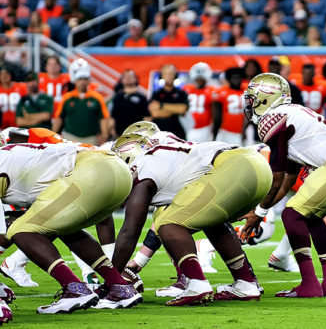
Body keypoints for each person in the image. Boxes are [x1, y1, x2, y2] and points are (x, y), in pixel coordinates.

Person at [241, 73, 326, 298]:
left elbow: (276, 178)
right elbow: (287, 182)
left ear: (266, 98)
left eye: (253, 98)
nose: (249, 105)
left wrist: (260, 212)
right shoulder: (294, 114)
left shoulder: (273, 118)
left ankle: (309, 284)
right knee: (312, 215)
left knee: (291, 214)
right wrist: (259, 213)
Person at [111, 134, 271, 305]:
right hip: (258, 167)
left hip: (235, 167)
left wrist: (111, 279)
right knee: (211, 220)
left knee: (167, 223)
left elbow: (130, 232)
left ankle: (197, 284)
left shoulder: (141, 168)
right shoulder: (168, 159)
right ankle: (246, 283)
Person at [0, 142, 141, 314]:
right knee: (62, 226)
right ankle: (120, 287)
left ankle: (74, 289)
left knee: (19, 230)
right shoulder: (16, 155)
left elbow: (5, 231)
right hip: (118, 171)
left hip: (90, 171)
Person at [53, 59, 111, 145]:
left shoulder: (97, 98)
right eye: (80, 79)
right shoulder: (67, 98)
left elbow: (104, 118)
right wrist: (53, 135)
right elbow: (59, 118)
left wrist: (104, 136)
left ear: (88, 80)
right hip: (70, 137)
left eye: (85, 79)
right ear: (75, 80)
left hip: (91, 138)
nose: (83, 82)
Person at [148, 64, 189, 140]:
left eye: (171, 73)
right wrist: (174, 110)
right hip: (159, 134)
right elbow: (155, 113)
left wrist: (161, 105)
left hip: (177, 134)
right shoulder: (156, 94)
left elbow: (182, 109)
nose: (169, 76)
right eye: (166, 74)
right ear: (161, 76)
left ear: (176, 75)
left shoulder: (181, 93)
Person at [111, 69, 150, 135]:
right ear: (122, 80)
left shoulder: (142, 97)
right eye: (125, 76)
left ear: (136, 79)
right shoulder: (117, 97)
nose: (128, 78)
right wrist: (111, 129)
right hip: (120, 134)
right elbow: (113, 117)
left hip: (137, 134)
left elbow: (147, 117)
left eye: (131, 76)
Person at [183, 62, 215, 142]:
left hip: (205, 128)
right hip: (187, 127)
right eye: (198, 78)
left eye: (202, 78)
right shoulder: (186, 89)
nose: (199, 80)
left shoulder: (212, 90)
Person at [213, 67, 245, 145]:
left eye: (239, 77)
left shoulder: (247, 90)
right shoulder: (222, 91)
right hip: (226, 130)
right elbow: (217, 116)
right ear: (228, 79)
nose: (237, 80)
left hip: (244, 130)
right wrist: (215, 131)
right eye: (234, 78)